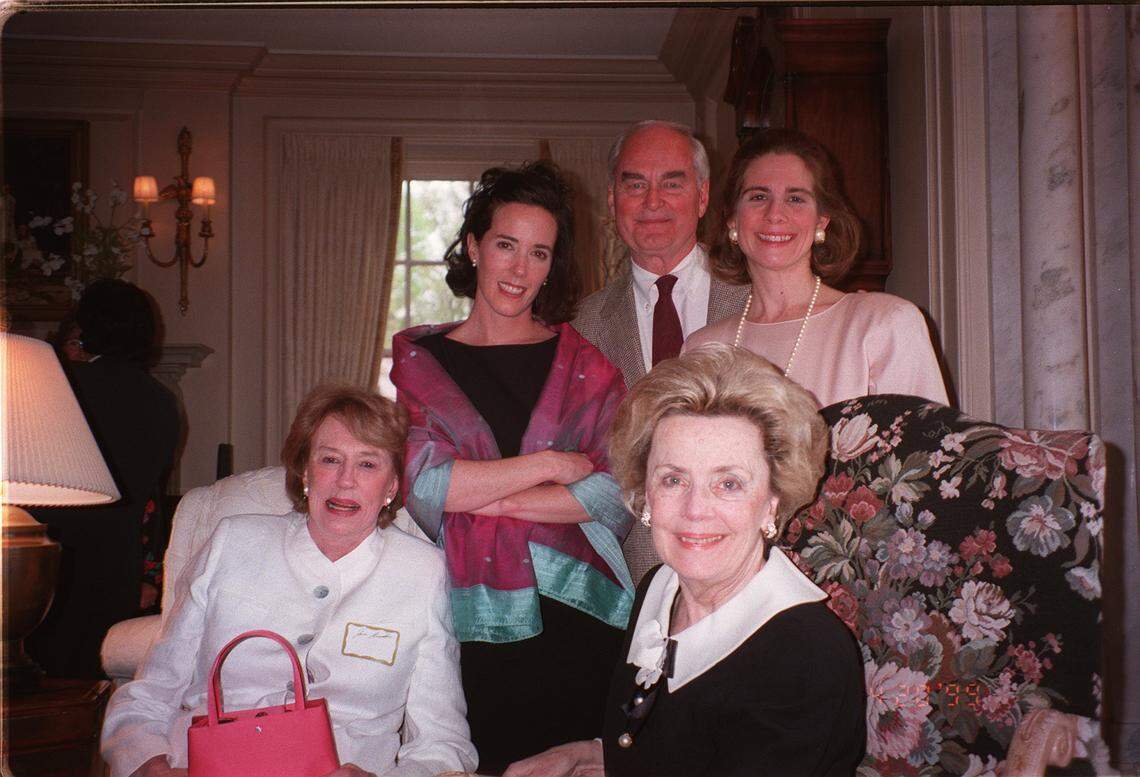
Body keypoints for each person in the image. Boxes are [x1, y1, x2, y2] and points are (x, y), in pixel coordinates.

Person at [504, 344, 866, 777]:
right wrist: (589, 754)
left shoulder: (804, 654)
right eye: (673, 479)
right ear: (646, 495)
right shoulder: (661, 587)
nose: (696, 510)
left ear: (772, 503)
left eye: (728, 483)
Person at [391, 161, 633, 775]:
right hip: (466, 613)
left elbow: (613, 494)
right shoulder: (423, 361)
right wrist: (549, 465)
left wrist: (484, 494)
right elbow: (425, 485)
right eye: (506, 245)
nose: (520, 269)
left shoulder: (587, 364)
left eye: (540, 253)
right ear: (474, 246)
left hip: (577, 616)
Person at [100, 385, 477, 777]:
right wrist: (150, 764)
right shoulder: (233, 542)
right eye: (330, 460)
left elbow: (443, 742)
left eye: (368, 464)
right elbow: (151, 691)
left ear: (393, 486)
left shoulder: (421, 571)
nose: (345, 481)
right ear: (304, 472)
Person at [573, 119, 748, 585]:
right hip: (630, 581)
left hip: (753, 570)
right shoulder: (580, 327)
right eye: (635, 185)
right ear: (612, 199)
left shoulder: (757, 300)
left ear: (703, 196)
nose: (653, 202)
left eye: (673, 183)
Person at [685, 127, 949, 408]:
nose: (775, 214)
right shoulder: (701, 349)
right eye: (758, 197)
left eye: (796, 199)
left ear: (821, 221)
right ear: (732, 219)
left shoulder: (884, 325)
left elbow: (926, 450)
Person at [27, 279, 179, 679]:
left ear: (89, 324)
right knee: (95, 679)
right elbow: (151, 499)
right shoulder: (164, 402)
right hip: (118, 559)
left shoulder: (62, 384)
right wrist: (151, 571)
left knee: (41, 681)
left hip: (56, 555)